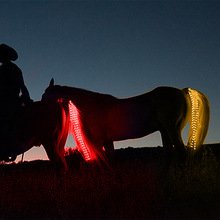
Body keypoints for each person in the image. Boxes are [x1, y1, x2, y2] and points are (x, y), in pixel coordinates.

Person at [0, 44, 32, 135]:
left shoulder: (13, 69)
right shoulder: (9, 68)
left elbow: (21, 85)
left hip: (9, 100)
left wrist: (26, 98)